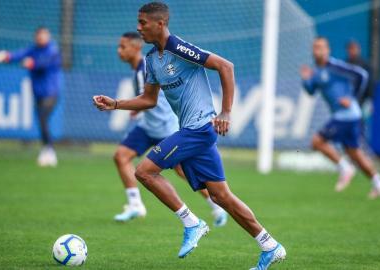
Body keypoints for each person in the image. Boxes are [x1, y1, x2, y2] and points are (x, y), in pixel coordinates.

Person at [93, 2, 286, 269]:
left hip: (199, 129)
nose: (139, 28)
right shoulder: (151, 59)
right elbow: (149, 99)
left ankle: (192, 222)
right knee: (221, 196)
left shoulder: (179, 48)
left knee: (144, 171)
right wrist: (115, 104)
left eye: (143, 23)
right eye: (138, 23)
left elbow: (225, 66)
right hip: (190, 131)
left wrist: (226, 112)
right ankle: (270, 245)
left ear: (160, 24)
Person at [113, 31, 227, 227]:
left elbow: (148, 100)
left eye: (123, 46)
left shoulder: (146, 68)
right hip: (148, 127)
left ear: (136, 47)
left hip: (165, 128)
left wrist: (123, 105)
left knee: (183, 171)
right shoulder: (144, 66)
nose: (119, 51)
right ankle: (135, 204)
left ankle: (215, 206)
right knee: (121, 156)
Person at [300, 37, 380, 199]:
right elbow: (311, 91)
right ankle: (379, 183)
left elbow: (362, 75)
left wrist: (353, 98)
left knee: (317, 142)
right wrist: (306, 80)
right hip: (344, 116)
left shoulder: (335, 66)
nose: (317, 50)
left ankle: (344, 168)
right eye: (315, 47)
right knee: (355, 153)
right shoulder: (317, 72)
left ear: (328, 50)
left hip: (347, 115)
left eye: (320, 47)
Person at [0, 27, 62, 167]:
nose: (41, 38)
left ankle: (49, 151)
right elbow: (19, 55)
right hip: (38, 93)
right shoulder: (33, 49)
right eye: (39, 36)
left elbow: (44, 63)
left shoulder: (52, 50)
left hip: (51, 93)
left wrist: (32, 63)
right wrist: (7, 56)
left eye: (44, 35)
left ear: (48, 36)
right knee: (41, 120)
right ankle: (47, 150)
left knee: (43, 118)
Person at [345, 40, 373, 106]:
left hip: (363, 98)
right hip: (349, 99)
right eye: (350, 49)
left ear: (359, 49)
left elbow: (370, 82)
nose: (352, 51)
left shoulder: (365, 65)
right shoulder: (345, 64)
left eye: (354, 48)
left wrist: (369, 98)